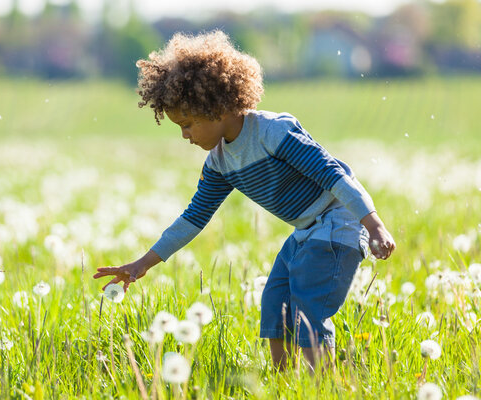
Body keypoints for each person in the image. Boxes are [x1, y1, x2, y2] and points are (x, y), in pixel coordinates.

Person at [93, 30, 396, 371]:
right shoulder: (220, 162)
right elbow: (194, 217)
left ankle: (319, 387)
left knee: (308, 310)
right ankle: (286, 385)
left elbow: (333, 175)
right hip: (305, 231)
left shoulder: (273, 133)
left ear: (216, 107)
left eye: (188, 124)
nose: (185, 135)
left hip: (339, 220)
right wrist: (143, 263)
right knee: (275, 304)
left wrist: (374, 224)